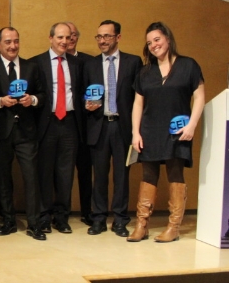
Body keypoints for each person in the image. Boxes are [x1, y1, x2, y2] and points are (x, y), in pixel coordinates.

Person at [128, 22, 205, 243]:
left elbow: (199, 97)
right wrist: (136, 132)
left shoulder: (188, 65)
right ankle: (142, 226)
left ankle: (174, 227)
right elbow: (138, 104)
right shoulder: (145, 71)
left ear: (168, 39)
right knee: (148, 174)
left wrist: (191, 126)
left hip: (177, 129)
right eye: (149, 42)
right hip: (150, 130)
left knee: (175, 173)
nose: (153, 45)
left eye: (157, 39)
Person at [84, 20, 142, 237]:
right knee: (98, 175)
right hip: (99, 125)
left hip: (122, 127)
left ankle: (120, 219)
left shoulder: (133, 62)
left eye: (107, 36)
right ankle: (98, 218)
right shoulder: (90, 65)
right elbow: (83, 93)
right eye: (99, 37)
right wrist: (86, 105)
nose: (102, 41)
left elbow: (139, 97)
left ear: (118, 37)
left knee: (121, 175)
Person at [29, 23, 84, 236]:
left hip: (70, 123)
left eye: (67, 38)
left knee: (65, 173)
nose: (64, 42)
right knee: (44, 172)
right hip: (47, 123)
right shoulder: (36, 63)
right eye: (59, 37)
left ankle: (62, 217)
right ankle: (43, 217)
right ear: (50, 38)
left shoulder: (77, 64)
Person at [0, 27, 46, 239]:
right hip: (1, 131)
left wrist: (32, 100)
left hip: (26, 131)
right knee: (3, 178)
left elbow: (43, 95)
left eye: (16, 41)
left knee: (31, 177)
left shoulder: (32, 67)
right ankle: (8, 221)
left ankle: (35, 223)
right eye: (8, 42)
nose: (13, 46)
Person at [66, 21, 94, 226]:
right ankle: (60, 213)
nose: (69, 39)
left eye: (73, 35)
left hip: (84, 126)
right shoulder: (49, 61)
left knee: (85, 172)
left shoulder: (89, 62)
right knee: (60, 172)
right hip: (61, 125)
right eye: (65, 35)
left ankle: (87, 212)